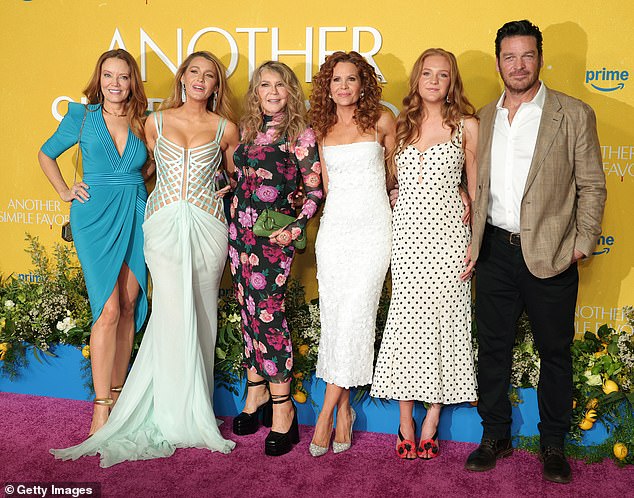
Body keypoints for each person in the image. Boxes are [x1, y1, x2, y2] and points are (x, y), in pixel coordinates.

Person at [51, 51, 238, 467]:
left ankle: (191, 408)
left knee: (196, 313)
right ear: (182, 77)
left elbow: (233, 173)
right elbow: (147, 167)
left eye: (209, 75)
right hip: (158, 222)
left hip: (203, 224)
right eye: (194, 72)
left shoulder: (223, 128)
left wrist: (228, 185)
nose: (200, 80)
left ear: (216, 84)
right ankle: (123, 405)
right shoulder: (152, 122)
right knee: (158, 311)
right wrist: (67, 190)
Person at [464, 20, 606, 484]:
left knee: (555, 352)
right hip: (494, 251)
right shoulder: (483, 116)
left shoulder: (573, 113)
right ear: (499, 63)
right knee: (493, 349)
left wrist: (581, 244)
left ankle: (553, 444)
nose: (519, 65)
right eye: (510, 57)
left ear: (540, 59)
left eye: (527, 56)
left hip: (552, 252)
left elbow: (592, 185)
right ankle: (495, 435)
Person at [371, 48, 479, 460]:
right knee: (406, 323)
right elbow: (385, 180)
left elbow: (477, 187)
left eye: (443, 74)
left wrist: (473, 230)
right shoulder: (399, 125)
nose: (434, 80)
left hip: (450, 236)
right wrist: (391, 192)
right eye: (428, 73)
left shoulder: (467, 126)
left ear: (452, 82)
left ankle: (432, 418)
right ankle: (405, 422)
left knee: (445, 322)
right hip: (407, 238)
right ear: (417, 79)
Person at [38, 49, 149, 436]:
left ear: (132, 82)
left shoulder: (144, 121)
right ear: (98, 80)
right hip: (94, 216)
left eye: (123, 76)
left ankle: (118, 398)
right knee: (108, 310)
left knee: (128, 306)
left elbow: (155, 164)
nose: (115, 83)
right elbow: (46, 154)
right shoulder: (82, 118)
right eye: (108, 75)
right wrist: (64, 190)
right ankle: (101, 408)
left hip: (136, 211)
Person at [229, 61, 323, 457]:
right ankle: (257, 394)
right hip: (240, 235)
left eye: (279, 85)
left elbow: (315, 192)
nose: (271, 92)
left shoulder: (300, 134)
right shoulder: (250, 129)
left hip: (273, 238)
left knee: (269, 316)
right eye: (264, 85)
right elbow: (244, 178)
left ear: (290, 91)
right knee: (248, 312)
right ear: (256, 91)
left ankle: (283, 409)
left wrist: (295, 229)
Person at [308, 51, 395, 457]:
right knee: (336, 322)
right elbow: (326, 189)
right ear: (328, 87)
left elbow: (398, 174)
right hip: (335, 235)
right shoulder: (321, 129)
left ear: (363, 85)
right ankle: (345, 412)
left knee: (357, 317)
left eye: (351, 79)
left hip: (374, 232)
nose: (344, 86)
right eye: (336, 80)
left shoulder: (382, 121)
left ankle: (324, 415)